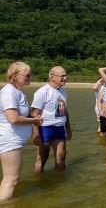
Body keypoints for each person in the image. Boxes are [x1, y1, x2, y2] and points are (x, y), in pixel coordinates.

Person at [0, 62, 42, 201]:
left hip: (13, 139)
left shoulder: (18, 91)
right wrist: (35, 121)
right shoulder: (9, 92)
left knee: (11, 178)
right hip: (9, 138)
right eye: (27, 75)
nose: (30, 77)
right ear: (14, 76)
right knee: (11, 179)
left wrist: (32, 119)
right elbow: (13, 119)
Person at [32, 66, 72, 173]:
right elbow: (35, 114)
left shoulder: (63, 91)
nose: (65, 78)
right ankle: (39, 183)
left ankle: (60, 184)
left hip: (59, 128)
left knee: (61, 158)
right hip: (45, 128)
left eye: (65, 75)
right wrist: (36, 134)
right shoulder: (42, 92)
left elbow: (63, 110)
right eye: (62, 76)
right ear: (52, 77)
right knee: (42, 159)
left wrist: (68, 128)